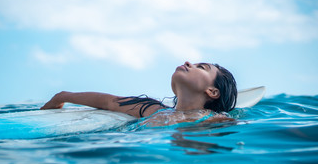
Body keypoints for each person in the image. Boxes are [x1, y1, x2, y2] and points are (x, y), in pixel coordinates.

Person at [40, 61, 237, 127]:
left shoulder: (215, 119)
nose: (188, 62)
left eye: (200, 67)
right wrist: (63, 96)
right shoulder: (153, 109)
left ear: (212, 92)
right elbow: (109, 101)